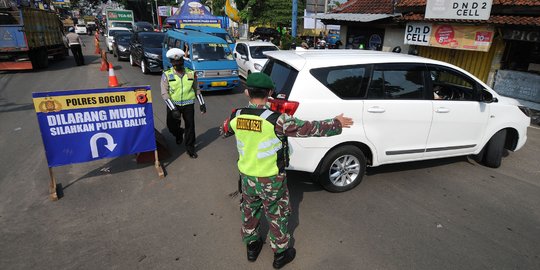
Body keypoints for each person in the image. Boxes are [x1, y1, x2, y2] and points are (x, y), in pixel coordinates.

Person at [220, 73, 354, 269]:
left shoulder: (236, 115)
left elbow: (223, 131)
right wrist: (336, 123)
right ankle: (280, 254)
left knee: (249, 211)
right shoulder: (277, 120)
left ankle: (252, 247)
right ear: (270, 93)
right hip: (271, 180)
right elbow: (309, 128)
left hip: (247, 177)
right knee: (277, 214)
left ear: (247, 92)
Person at [161, 48, 206, 158]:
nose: (178, 66)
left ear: (183, 62)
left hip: (188, 104)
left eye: (180, 63)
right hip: (173, 104)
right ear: (172, 63)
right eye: (176, 64)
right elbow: (164, 93)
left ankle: (190, 148)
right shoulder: (167, 75)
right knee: (171, 125)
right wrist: (173, 109)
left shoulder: (191, 73)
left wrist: (202, 104)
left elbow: (197, 89)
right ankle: (178, 133)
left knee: (190, 126)